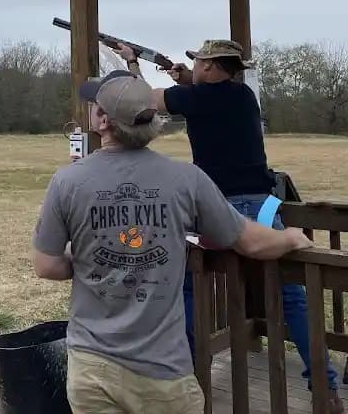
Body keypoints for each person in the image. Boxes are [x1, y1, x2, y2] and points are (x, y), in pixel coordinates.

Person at [33, 68, 314, 414]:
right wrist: (288, 238)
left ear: (102, 120)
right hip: (164, 372)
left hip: (93, 368)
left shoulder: (66, 182)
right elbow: (251, 243)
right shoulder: (187, 180)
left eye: (95, 105)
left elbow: (46, 265)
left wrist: (84, 260)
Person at [115, 39, 342, 413]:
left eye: (200, 62)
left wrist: (131, 62)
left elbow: (141, 101)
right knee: (293, 300)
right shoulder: (242, 96)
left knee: (184, 286)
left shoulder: (197, 99)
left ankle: (184, 377)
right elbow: (203, 99)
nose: (196, 66)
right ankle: (325, 386)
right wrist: (186, 80)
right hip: (263, 205)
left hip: (216, 206)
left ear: (211, 67)